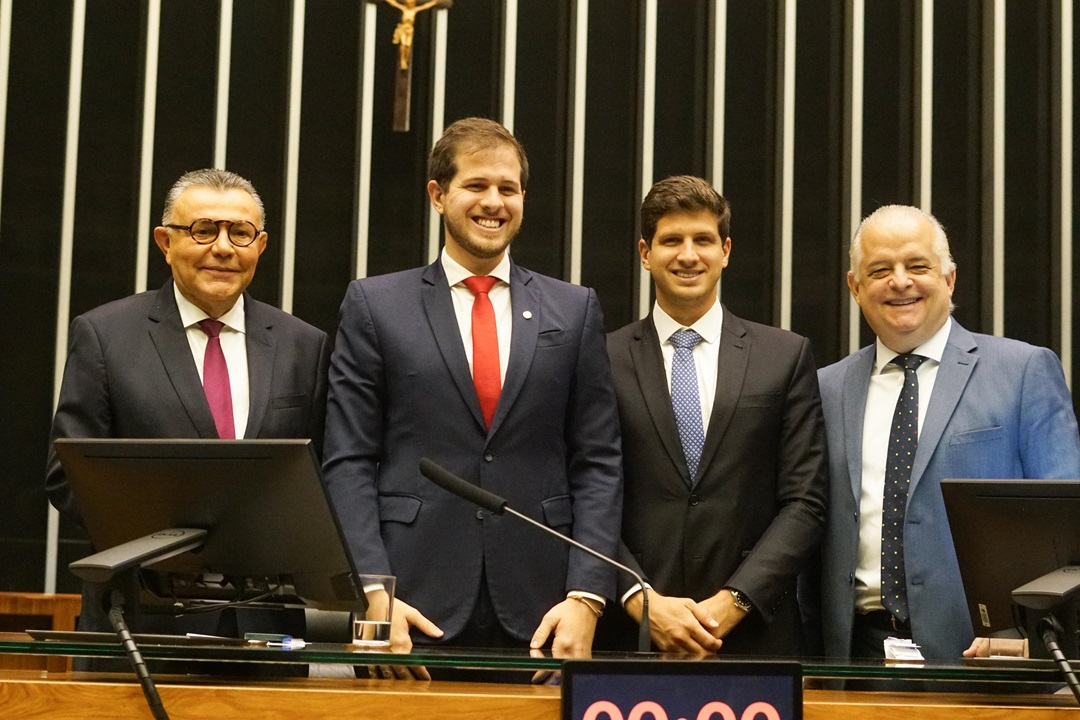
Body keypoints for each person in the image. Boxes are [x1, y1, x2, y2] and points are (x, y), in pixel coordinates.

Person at [321, 117, 622, 675]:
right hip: (409, 609)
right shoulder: (375, 305)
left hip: (545, 613)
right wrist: (372, 593)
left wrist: (586, 598)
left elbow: (599, 462)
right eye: (477, 185)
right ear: (438, 195)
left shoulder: (574, 309)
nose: (494, 202)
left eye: (508, 189)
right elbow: (347, 461)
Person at [46, 168, 330, 653]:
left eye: (240, 233)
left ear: (260, 245)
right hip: (141, 615)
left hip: (265, 620)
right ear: (165, 241)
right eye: (203, 230)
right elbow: (68, 477)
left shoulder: (305, 345)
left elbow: (323, 478)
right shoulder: (106, 336)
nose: (223, 247)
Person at [810, 204, 1080, 665]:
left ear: (949, 279)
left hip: (990, 658)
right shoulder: (824, 389)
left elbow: (1066, 525)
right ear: (855, 287)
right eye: (880, 270)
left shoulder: (1023, 372)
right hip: (854, 660)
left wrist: (1031, 633)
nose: (900, 281)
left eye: (918, 266)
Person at [601, 176, 828, 655]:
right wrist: (639, 598)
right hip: (634, 635)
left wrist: (734, 601)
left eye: (702, 240)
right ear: (645, 253)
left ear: (725, 250)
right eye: (671, 241)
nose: (688, 255)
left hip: (755, 636)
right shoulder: (602, 358)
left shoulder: (784, 356)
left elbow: (805, 501)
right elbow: (585, 494)